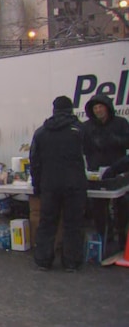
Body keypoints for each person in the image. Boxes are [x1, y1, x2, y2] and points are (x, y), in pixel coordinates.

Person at [30, 96, 87, 272]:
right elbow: (90, 153)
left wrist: (37, 185)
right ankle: (71, 262)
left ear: (54, 110)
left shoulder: (41, 132)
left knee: (47, 222)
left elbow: (34, 161)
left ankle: (43, 260)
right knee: (72, 223)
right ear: (71, 109)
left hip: (49, 185)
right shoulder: (79, 129)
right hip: (74, 184)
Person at [83, 94, 129, 251]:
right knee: (98, 206)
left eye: (100, 107)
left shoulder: (121, 123)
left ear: (108, 108)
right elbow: (83, 147)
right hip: (96, 173)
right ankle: (104, 237)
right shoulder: (87, 126)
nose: (98, 110)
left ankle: (122, 236)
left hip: (118, 170)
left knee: (122, 204)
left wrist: (114, 139)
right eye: (95, 108)